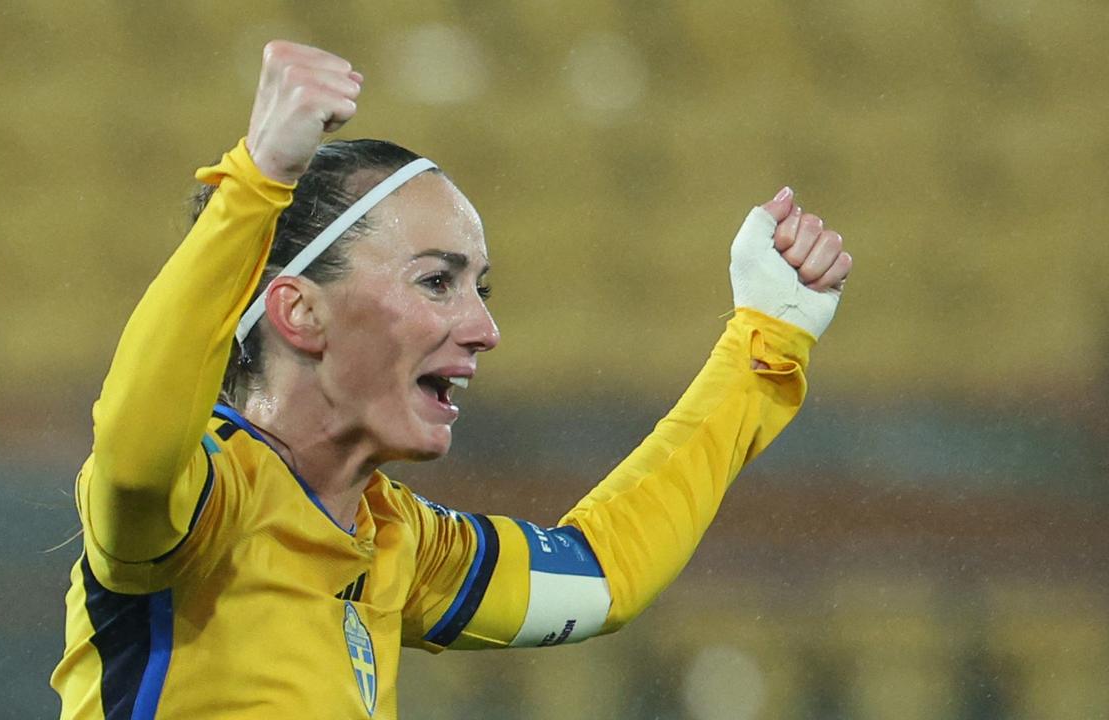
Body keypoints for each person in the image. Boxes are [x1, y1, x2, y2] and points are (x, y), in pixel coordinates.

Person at [50, 41, 852, 719]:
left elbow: (601, 575)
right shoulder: (200, 502)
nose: (484, 329)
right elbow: (134, 448)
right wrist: (256, 181)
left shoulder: (399, 540)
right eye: (437, 281)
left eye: (482, 290)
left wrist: (764, 345)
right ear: (298, 313)